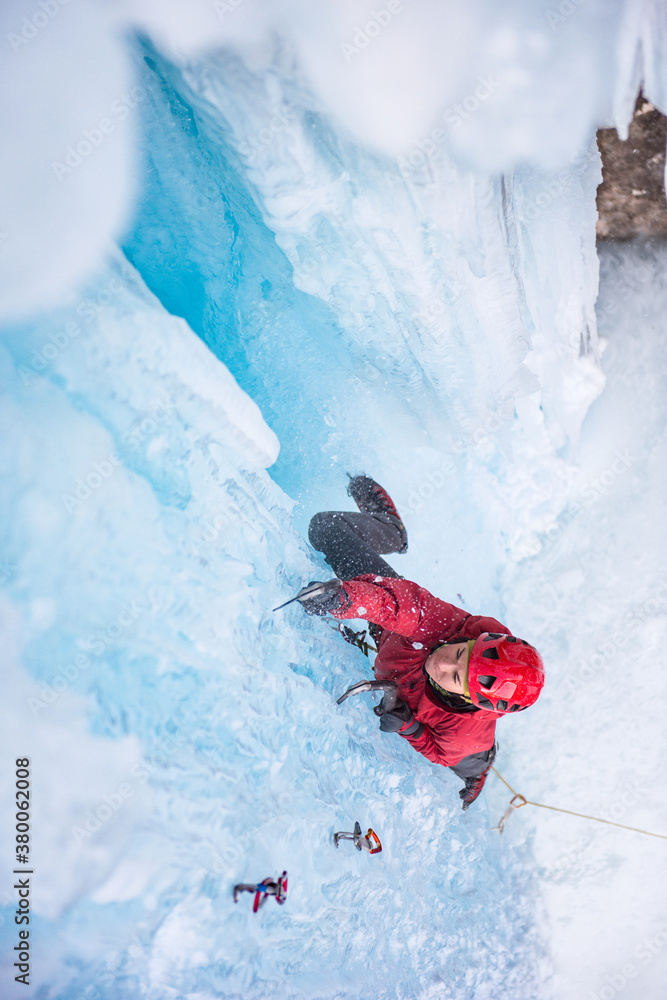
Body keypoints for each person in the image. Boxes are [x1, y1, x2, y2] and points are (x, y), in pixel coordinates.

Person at [301, 476, 545, 809]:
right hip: (391, 638)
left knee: (467, 768)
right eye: (458, 654)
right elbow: (401, 606)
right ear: (468, 641)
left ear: (466, 698)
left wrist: (410, 727)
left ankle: (477, 777)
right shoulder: (453, 626)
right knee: (326, 528)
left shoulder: (462, 736)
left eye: (455, 677)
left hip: (468, 754)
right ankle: (390, 530)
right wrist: (348, 600)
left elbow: (437, 752)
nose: (443, 662)